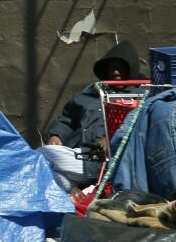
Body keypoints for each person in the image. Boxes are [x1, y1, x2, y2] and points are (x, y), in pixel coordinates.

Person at [39, 41, 145, 193]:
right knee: (51, 174)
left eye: (121, 68)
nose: (116, 73)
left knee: (42, 155)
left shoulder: (139, 96)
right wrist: (56, 135)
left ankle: (75, 189)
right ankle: (75, 192)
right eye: (112, 68)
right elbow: (67, 120)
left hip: (102, 158)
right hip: (76, 153)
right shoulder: (89, 94)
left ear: (131, 70)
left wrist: (110, 140)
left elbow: (138, 127)